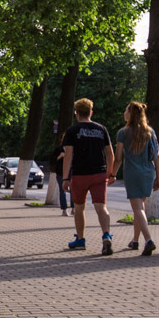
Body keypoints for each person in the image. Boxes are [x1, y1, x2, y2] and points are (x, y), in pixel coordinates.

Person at [61, 98, 116, 255]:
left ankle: (80, 239)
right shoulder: (101, 129)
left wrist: (65, 178)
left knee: (79, 207)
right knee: (101, 207)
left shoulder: (72, 131)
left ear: (76, 113)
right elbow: (110, 154)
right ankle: (106, 234)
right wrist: (111, 173)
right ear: (91, 112)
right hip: (99, 173)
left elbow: (68, 155)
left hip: (80, 175)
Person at [112, 101, 159, 256]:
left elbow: (118, 158)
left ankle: (148, 240)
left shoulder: (123, 133)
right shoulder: (150, 132)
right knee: (140, 209)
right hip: (148, 172)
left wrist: (112, 174)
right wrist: (158, 177)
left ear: (130, 114)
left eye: (126, 110)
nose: (124, 112)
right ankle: (135, 240)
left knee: (138, 209)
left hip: (132, 173)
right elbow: (157, 156)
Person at [48, 143, 69, 216]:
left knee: (74, 191)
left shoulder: (74, 148)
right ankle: (64, 210)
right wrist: (60, 156)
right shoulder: (58, 149)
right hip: (60, 173)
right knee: (62, 191)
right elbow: (52, 160)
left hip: (71, 173)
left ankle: (74, 208)